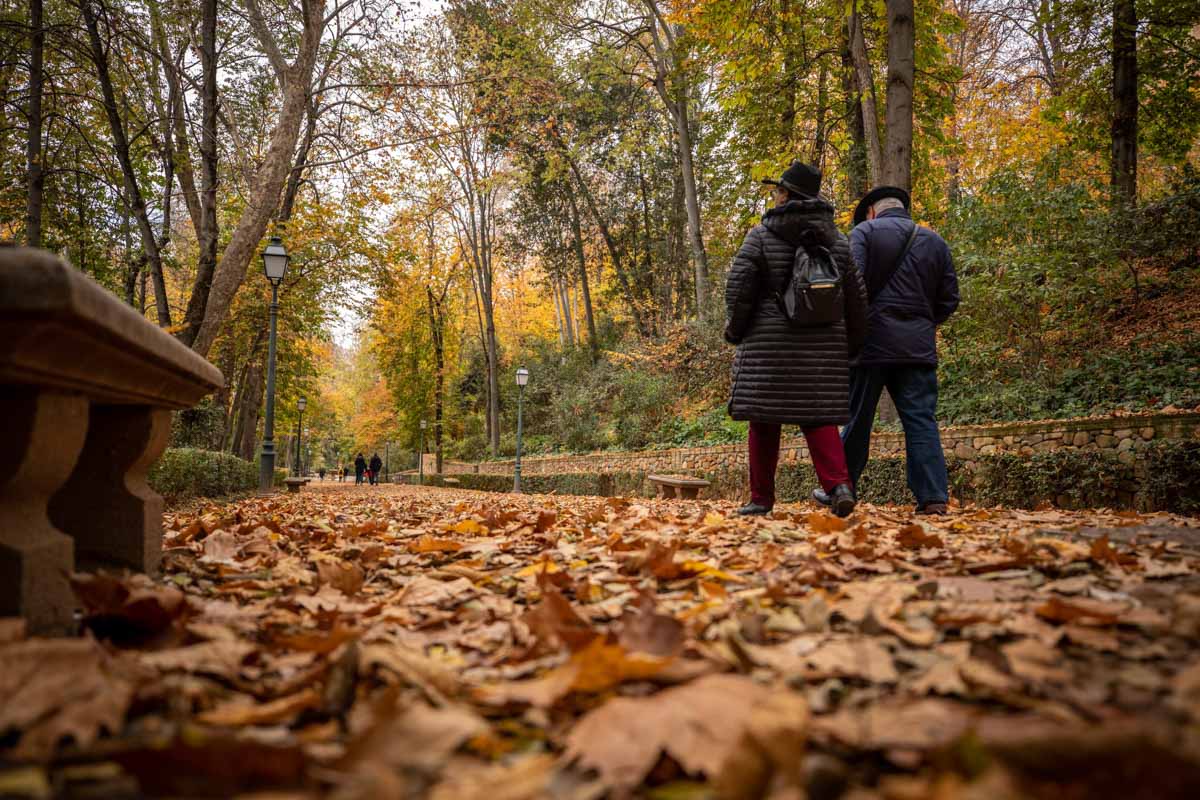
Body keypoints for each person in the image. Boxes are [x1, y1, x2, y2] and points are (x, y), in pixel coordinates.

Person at [724, 161, 868, 518]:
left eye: (778, 191)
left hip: (769, 345)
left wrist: (735, 330)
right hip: (823, 345)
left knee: (763, 419)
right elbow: (856, 299)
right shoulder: (838, 240)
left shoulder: (761, 236)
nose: (774, 196)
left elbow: (739, 289)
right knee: (819, 419)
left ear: (786, 195)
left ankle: (761, 499)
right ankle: (840, 486)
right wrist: (851, 345)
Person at [815, 186, 960, 515]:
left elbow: (853, 284)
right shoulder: (934, 241)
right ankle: (933, 498)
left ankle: (842, 489)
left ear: (871, 212)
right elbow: (949, 298)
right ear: (902, 210)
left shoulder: (864, 233)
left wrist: (851, 329)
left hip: (870, 345)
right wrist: (922, 323)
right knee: (921, 421)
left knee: (856, 420)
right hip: (917, 348)